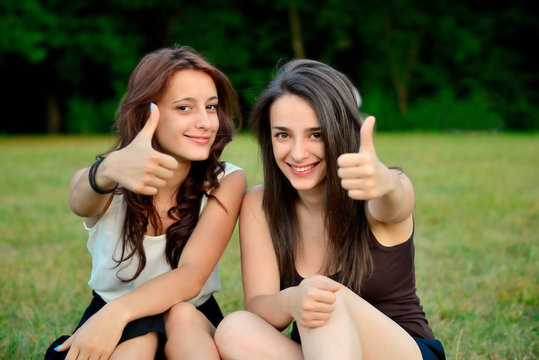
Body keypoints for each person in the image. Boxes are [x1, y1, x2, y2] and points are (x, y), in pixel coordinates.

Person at [214, 59, 446, 360]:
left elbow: (396, 203)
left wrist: (386, 183)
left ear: (340, 132)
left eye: (316, 134)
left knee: (323, 294)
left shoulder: (378, 189)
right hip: (320, 352)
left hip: (404, 352)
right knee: (234, 328)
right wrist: (291, 300)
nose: (297, 153)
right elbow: (260, 305)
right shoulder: (261, 204)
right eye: (283, 135)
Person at [44, 46, 246, 360]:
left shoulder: (227, 181)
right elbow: (79, 200)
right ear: (145, 111)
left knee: (181, 319)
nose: (206, 121)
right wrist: (108, 169)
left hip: (189, 317)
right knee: (140, 343)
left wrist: (116, 314)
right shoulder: (110, 176)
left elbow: (191, 276)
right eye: (184, 108)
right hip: (112, 319)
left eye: (211, 106)